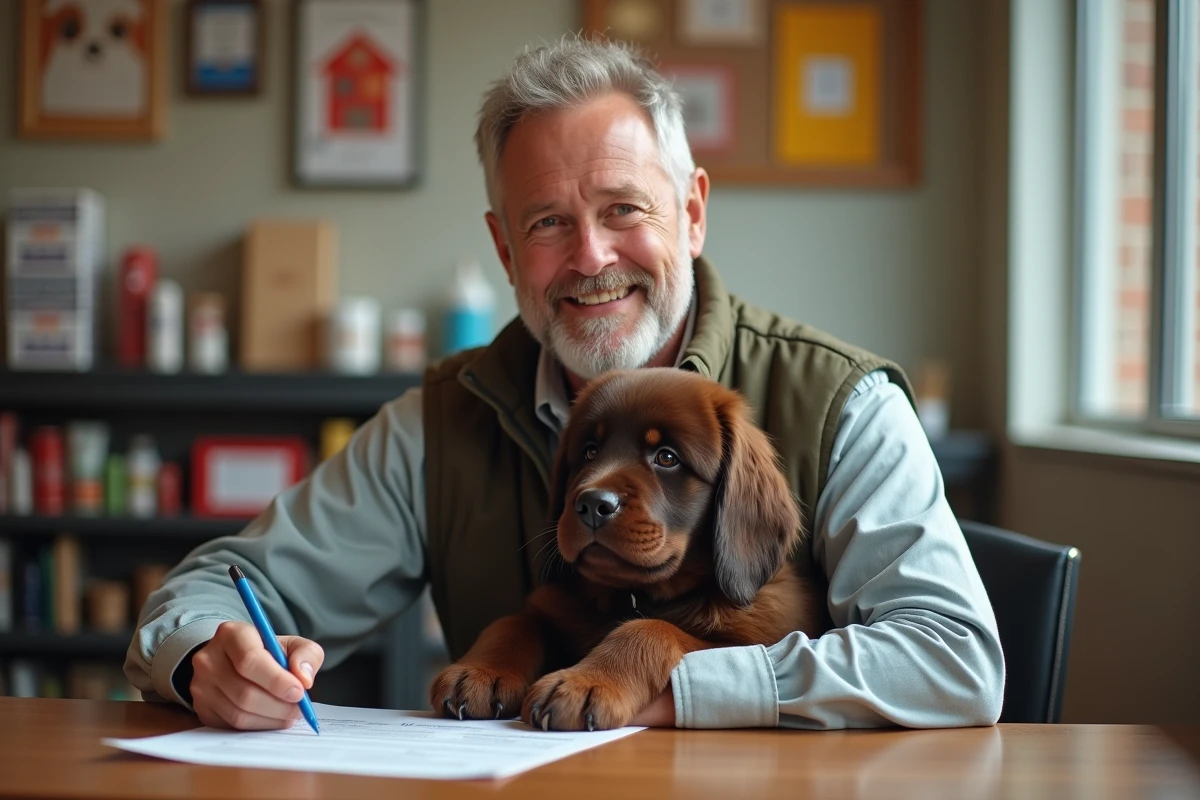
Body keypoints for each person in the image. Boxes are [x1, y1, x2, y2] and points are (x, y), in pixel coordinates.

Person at [126, 37, 1004, 732]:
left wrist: (674, 680)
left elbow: (955, 658)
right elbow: (218, 586)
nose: (590, 257)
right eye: (548, 222)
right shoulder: (439, 423)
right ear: (506, 250)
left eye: (624, 208)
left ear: (692, 212)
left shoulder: (843, 403)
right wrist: (209, 658)